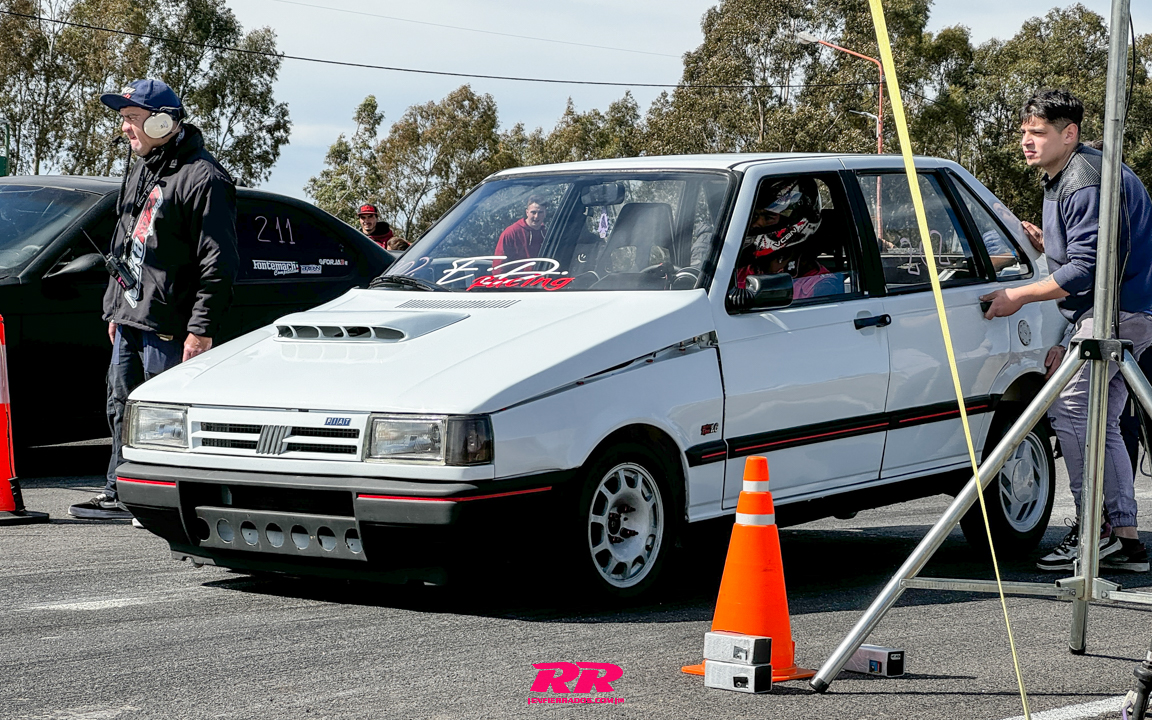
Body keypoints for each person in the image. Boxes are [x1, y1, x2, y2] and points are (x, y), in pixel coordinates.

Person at [980, 89, 1152, 572]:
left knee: (1073, 409)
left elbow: (1086, 270)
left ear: (1069, 133)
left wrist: (1017, 295)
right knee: (1100, 421)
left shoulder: (1082, 182)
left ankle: (1094, 531)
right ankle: (1124, 538)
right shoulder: (1071, 174)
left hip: (1118, 311)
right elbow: (1083, 256)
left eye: (1038, 133)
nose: (1027, 141)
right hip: (1122, 309)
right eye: (1024, 132)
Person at [68, 79, 238, 521]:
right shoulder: (142, 168)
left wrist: (201, 329)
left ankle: (167, 500)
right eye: (123, 119)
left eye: (132, 118)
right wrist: (116, 308)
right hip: (131, 315)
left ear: (164, 122)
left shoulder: (204, 178)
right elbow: (126, 243)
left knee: (166, 416)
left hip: (170, 323)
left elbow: (218, 262)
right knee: (120, 406)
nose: (125, 127)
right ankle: (120, 492)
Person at [734, 178, 839, 301]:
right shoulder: (741, 271)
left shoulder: (819, 285)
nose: (756, 224)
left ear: (794, 221)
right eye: (754, 216)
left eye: (768, 217)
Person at [495, 196, 547, 262]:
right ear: (527, 212)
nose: (536, 216)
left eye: (540, 212)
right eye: (533, 212)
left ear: (545, 213)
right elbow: (498, 263)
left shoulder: (547, 234)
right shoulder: (511, 233)